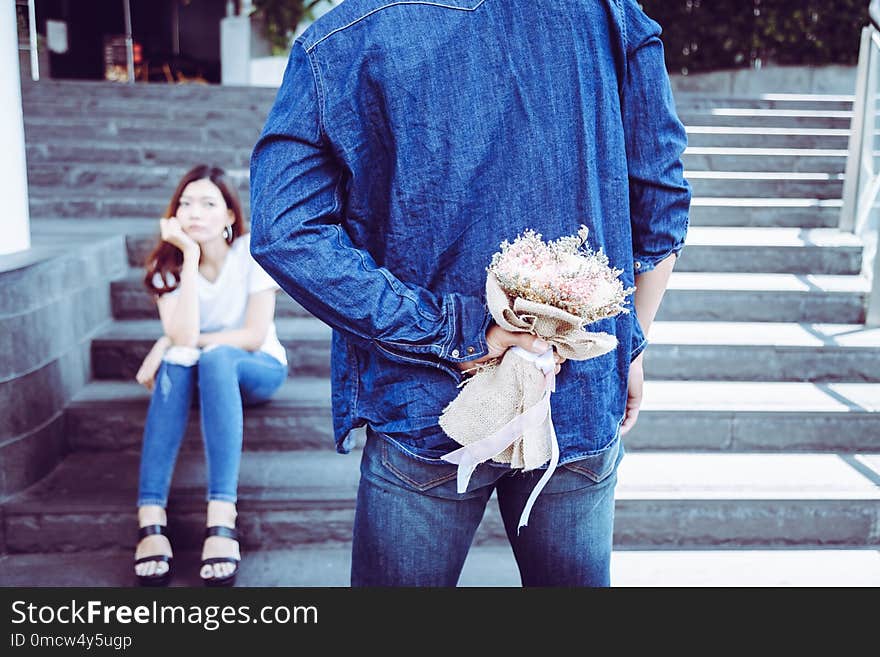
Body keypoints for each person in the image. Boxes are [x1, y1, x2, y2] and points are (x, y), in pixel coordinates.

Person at [250, 0, 689, 586]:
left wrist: (449, 330)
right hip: (573, 388)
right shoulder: (607, 12)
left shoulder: (341, 38)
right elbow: (661, 202)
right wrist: (627, 341)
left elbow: (286, 232)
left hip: (423, 399)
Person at [132, 164, 287, 586]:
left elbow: (254, 336)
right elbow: (182, 336)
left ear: (230, 215)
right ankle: (150, 521)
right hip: (200, 375)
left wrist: (167, 342)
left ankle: (222, 515)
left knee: (211, 355)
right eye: (185, 203)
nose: (193, 213)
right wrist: (191, 258)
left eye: (207, 203)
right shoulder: (169, 265)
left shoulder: (252, 253)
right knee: (179, 358)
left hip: (258, 369)